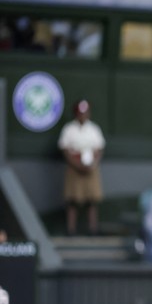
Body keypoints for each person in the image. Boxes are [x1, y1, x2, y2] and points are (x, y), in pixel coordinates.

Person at [58, 99, 105, 236]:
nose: (83, 116)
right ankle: (71, 229)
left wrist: (93, 163)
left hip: (91, 167)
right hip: (74, 167)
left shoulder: (94, 129)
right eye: (80, 113)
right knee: (73, 199)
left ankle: (93, 229)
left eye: (85, 113)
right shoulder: (69, 129)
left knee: (92, 199)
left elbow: (99, 149)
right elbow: (65, 149)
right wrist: (76, 164)